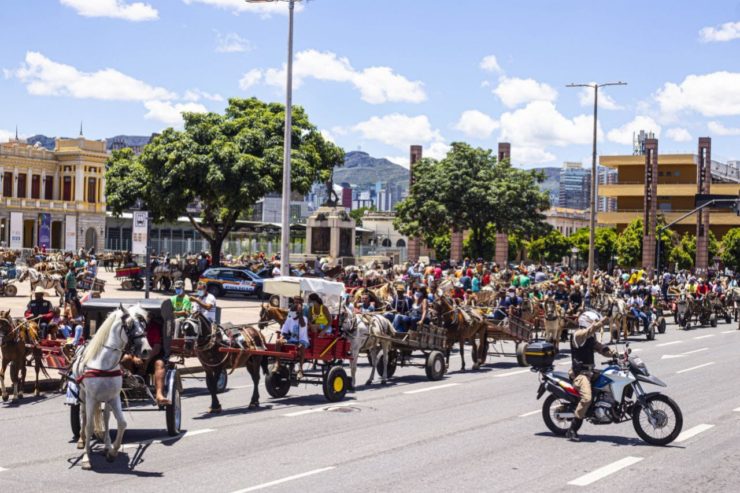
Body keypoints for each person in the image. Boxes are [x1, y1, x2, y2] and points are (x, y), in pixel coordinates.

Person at [567, 310, 616, 442]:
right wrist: (601, 323)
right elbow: (588, 331)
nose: (595, 325)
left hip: (590, 372)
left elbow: (601, 348)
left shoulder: (589, 338)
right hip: (579, 375)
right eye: (593, 322)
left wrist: (616, 354)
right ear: (587, 322)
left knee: (611, 379)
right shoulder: (578, 335)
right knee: (587, 399)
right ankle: (572, 430)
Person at [279, 296, 310, 378]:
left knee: (301, 346)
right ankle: (277, 364)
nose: (296, 303)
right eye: (295, 302)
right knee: (279, 342)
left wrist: (300, 314)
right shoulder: (291, 314)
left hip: (302, 339)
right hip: (292, 338)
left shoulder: (304, 313)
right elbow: (286, 327)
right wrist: (282, 337)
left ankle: (300, 369)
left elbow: (303, 324)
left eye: (298, 302)